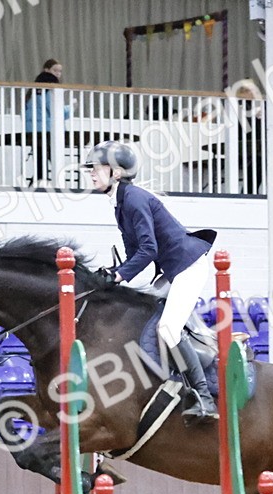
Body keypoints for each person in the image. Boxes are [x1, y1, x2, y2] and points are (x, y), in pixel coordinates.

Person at [84, 141, 219, 422]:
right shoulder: (121, 202)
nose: (92, 174)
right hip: (171, 270)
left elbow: (149, 250)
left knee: (168, 329)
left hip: (188, 266)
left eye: (97, 169)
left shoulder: (133, 199)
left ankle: (204, 397)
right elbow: (135, 252)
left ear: (117, 173)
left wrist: (120, 275)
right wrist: (113, 273)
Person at [23, 59, 71, 184]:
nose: (58, 74)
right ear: (47, 70)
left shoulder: (33, 92)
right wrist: (71, 108)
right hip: (47, 128)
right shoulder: (48, 90)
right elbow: (55, 110)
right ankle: (56, 182)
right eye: (55, 70)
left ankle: (39, 179)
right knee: (52, 156)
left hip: (33, 129)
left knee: (40, 155)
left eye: (60, 71)